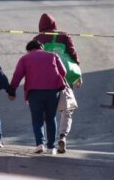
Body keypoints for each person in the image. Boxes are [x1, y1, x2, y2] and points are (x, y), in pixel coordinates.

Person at [33, 13, 82, 154]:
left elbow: (33, 59)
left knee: (47, 112)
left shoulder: (38, 39)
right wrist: (78, 75)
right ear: (54, 24)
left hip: (45, 80)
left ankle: (45, 142)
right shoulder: (64, 36)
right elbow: (73, 55)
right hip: (64, 77)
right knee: (67, 109)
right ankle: (63, 136)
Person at [8, 40, 66, 154]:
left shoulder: (25, 58)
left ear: (29, 49)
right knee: (51, 118)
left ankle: (40, 144)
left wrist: (12, 91)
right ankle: (51, 147)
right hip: (52, 91)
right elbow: (63, 72)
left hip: (34, 92)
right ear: (42, 47)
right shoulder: (53, 55)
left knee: (37, 119)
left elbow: (17, 75)